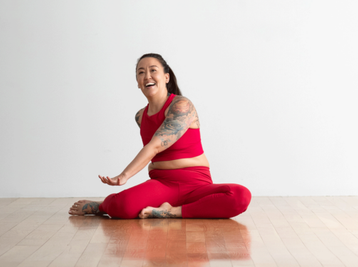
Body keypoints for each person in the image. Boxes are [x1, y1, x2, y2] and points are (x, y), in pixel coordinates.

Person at [69, 53, 251, 219]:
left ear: (166, 77)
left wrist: (124, 176)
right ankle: (101, 205)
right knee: (121, 207)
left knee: (240, 196)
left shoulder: (182, 106)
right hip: (162, 184)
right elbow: (154, 152)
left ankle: (173, 211)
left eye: (152, 70)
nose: (147, 76)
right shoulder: (140, 116)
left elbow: (155, 146)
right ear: (138, 82)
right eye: (141, 73)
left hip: (196, 183)